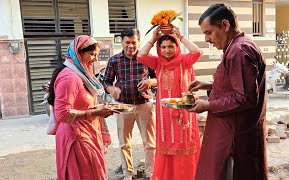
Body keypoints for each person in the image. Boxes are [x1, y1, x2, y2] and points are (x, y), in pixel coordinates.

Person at [188, 3, 268, 180]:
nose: (207, 39)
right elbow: (236, 84)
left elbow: (244, 98)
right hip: (236, 129)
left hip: (235, 133)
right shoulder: (237, 46)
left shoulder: (239, 50)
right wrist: (209, 85)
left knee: (232, 173)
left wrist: (208, 105)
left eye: (209, 32)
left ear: (225, 25)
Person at [137, 25, 203, 180]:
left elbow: (198, 52)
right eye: (164, 47)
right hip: (164, 112)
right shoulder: (158, 62)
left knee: (185, 143)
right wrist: (153, 39)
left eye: (171, 47)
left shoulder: (185, 60)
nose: (167, 50)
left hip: (184, 110)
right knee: (167, 143)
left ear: (177, 47)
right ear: (159, 48)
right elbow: (140, 56)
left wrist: (180, 36)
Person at [47, 35, 115, 179]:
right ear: (78, 54)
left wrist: (98, 108)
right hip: (76, 136)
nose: (95, 59)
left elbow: (84, 102)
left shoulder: (83, 75)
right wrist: (96, 112)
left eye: (96, 55)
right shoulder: (69, 77)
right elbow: (62, 114)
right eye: (91, 54)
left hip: (87, 132)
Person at [103, 28, 157, 180]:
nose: (131, 46)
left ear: (138, 41)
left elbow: (159, 77)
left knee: (150, 142)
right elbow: (106, 81)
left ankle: (151, 172)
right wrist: (111, 89)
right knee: (124, 143)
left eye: (134, 42)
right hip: (123, 106)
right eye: (127, 42)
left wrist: (149, 82)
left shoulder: (146, 57)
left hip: (145, 105)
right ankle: (128, 173)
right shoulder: (114, 60)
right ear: (121, 42)